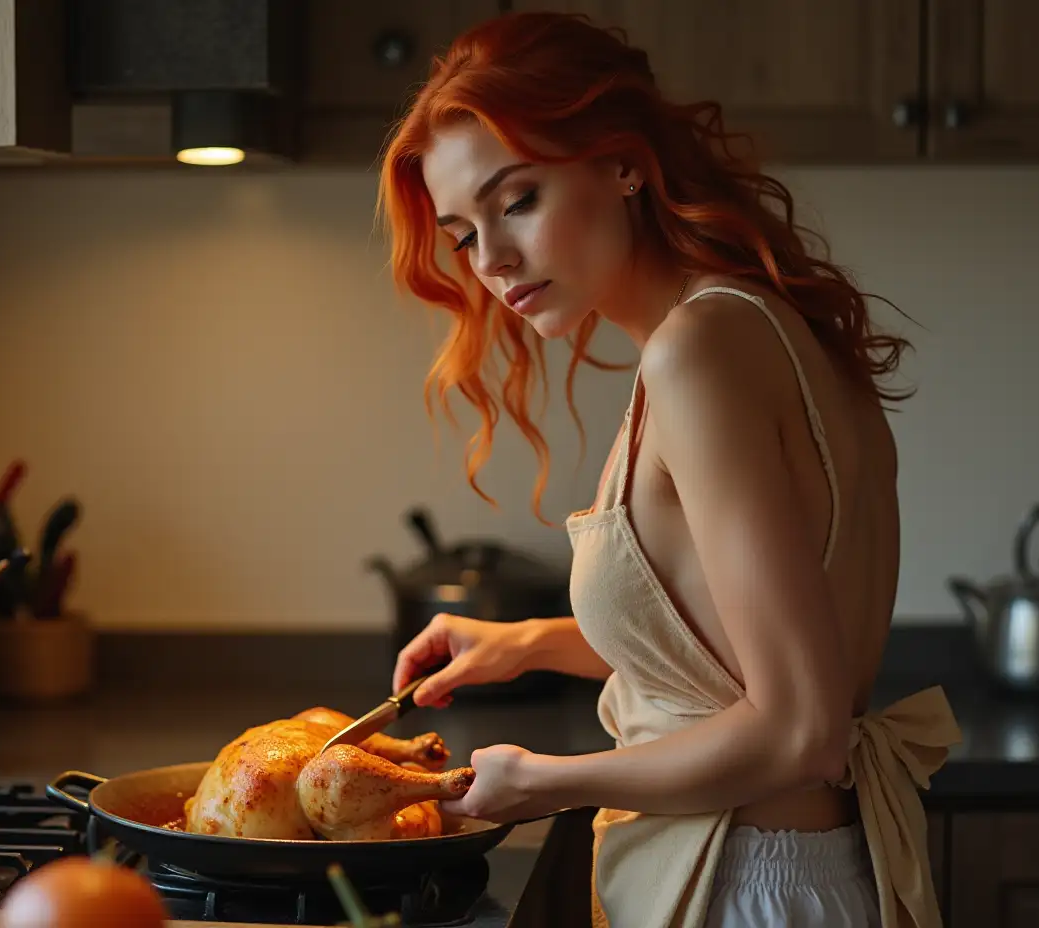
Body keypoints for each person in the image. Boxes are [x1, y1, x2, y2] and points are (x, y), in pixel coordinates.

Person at [377, 11, 961, 928]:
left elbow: (800, 732)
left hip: (750, 886)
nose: (490, 260)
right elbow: (720, 653)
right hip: (789, 875)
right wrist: (526, 643)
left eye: (517, 199)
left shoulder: (697, 351)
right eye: (462, 233)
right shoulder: (749, 325)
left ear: (623, 162)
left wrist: (546, 782)